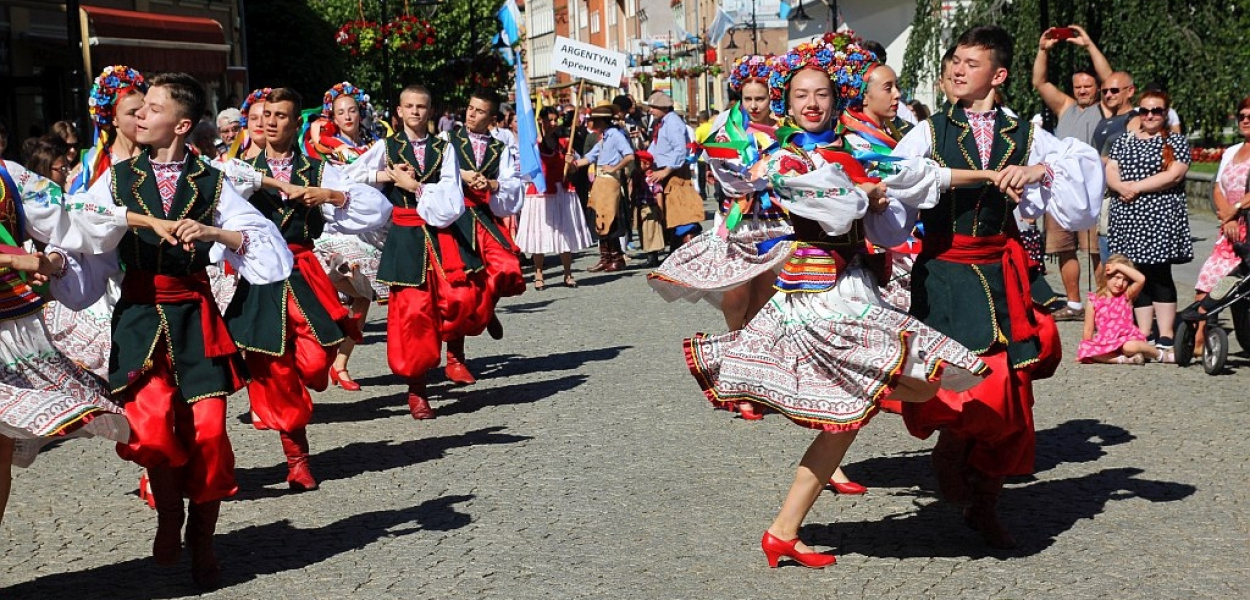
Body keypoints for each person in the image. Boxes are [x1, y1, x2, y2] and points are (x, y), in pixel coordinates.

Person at [685, 40, 989, 569]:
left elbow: (919, 175)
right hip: (816, 294)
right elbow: (826, 203)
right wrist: (866, 195)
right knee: (882, 396)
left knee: (870, 406)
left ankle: (784, 531)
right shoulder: (782, 157)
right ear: (786, 100)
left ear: (836, 96)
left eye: (821, 93)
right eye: (801, 94)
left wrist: (990, 176)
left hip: (853, 284)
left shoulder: (856, 148)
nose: (812, 102)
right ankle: (785, 528)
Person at [58, 73, 293, 589]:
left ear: (181, 124)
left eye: (152, 108)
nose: (141, 115)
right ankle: (169, 514)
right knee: (154, 428)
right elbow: (83, 230)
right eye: (138, 109)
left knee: (210, 435)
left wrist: (215, 232)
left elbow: (264, 245)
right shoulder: (118, 180)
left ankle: (204, 542)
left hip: (195, 318)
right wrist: (57, 265)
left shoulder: (212, 181)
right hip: (141, 319)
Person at [891, 25, 1104, 549]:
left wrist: (1037, 171)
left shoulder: (1027, 133)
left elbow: (1079, 189)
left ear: (999, 74)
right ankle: (950, 451)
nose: (956, 70)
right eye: (953, 61)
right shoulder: (928, 131)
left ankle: (985, 501)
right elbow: (896, 189)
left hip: (1001, 273)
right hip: (943, 274)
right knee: (953, 391)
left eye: (970, 62)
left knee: (1008, 394)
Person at [225, 87, 388, 492]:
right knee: (277, 371)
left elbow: (375, 208)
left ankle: (305, 386)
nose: (269, 122)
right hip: (261, 278)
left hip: (304, 271)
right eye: (263, 115)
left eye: (280, 115)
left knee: (315, 364)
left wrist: (330, 195)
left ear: (296, 123)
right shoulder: (239, 170)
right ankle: (297, 459)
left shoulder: (318, 169)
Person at [356, 83, 471, 419]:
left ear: (430, 110)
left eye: (422, 106)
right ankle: (417, 390)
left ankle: (455, 355)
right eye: (409, 106)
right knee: (413, 316)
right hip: (405, 238)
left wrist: (417, 187)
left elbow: (452, 195)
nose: (416, 112)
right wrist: (384, 176)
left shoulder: (444, 147)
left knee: (459, 299)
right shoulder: (386, 147)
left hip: (440, 236)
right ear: (400, 111)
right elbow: (350, 176)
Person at [304, 82, 390, 392]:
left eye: (352, 110)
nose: (348, 115)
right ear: (333, 118)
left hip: (371, 227)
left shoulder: (375, 143)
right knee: (339, 282)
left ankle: (340, 363)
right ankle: (326, 341)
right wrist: (379, 175)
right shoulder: (328, 147)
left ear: (361, 112)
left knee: (363, 296)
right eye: (341, 112)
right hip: (338, 225)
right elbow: (345, 181)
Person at [1032, 24, 1114, 321]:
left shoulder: (1104, 107)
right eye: (1078, 85)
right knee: (1064, 249)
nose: (1082, 90)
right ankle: (1075, 304)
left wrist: (1088, 43)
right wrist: (1043, 50)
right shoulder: (1065, 106)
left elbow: (1110, 79)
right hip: (1060, 190)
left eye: (1087, 86)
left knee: (1095, 250)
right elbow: (1040, 82)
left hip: (1092, 190)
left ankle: (1103, 304)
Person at [445, 89, 523, 384]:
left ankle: (487, 307)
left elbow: (511, 186)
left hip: (482, 217)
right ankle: (455, 359)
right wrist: (461, 175)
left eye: (479, 111)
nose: (471, 114)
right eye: (470, 108)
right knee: (458, 291)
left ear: (491, 119)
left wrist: (491, 183)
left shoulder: (499, 148)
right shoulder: (447, 141)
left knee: (507, 268)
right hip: (453, 219)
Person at [1105, 90, 1191, 352]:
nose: (1150, 115)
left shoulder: (1176, 141)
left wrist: (1136, 188)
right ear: (1138, 113)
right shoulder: (1122, 141)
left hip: (1158, 217)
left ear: (1166, 114)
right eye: (1145, 110)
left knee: (1159, 274)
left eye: (1157, 111)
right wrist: (1120, 187)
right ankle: (1143, 331)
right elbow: (1110, 170)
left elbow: (1174, 175)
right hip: (1127, 216)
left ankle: (1165, 332)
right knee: (1134, 273)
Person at [1190, 97, 1250, 353]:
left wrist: (1234, 211)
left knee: (1239, 282)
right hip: (1229, 227)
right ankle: (1198, 338)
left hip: (1245, 223)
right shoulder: (1231, 151)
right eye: (1242, 116)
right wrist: (1227, 216)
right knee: (1208, 279)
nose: (1246, 120)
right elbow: (1217, 187)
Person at [516, 106, 592, 290]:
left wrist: (570, 163)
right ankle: (539, 273)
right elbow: (525, 169)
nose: (553, 123)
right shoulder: (533, 145)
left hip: (561, 191)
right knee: (539, 234)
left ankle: (568, 273)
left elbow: (574, 168)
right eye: (549, 119)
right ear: (541, 121)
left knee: (565, 232)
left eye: (555, 119)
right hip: (540, 193)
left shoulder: (566, 142)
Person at [570, 103, 633, 272]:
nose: (591, 124)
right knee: (599, 218)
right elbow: (589, 157)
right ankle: (605, 257)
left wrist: (614, 167)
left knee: (609, 218)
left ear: (602, 121)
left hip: (610, 180)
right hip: (600, 180)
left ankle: (616, 257)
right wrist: (573, 164)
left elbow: (629, 155)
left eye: (594, 121)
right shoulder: (604, 137)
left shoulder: (616, 135)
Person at [1078, 255, 1163, 364]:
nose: (1120, 284)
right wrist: (1086, 348)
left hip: (1127, 339)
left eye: (1125, 280)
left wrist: (1118, 266)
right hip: (1106, 342)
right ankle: (1125, 359)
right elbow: (1088, 329)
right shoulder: (1094, 300)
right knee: (1087, 349)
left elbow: (1141, 279)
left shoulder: (1126, 295)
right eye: (1117, 277)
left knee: (1129, 347)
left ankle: (1159, 354)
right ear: (1106, 276)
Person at [645, 92, 704, 247]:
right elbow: (656, 148)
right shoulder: (663, 123)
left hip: (675, 175)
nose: (650, 110)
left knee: (683, 214)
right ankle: (679, 250)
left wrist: (666, 171)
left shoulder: (673, 123)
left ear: (663, 107)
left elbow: (679, 150)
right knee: (674, 215)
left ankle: (691, 252)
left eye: (653, 107)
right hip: (666, 174)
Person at [238, 87, 272, 160]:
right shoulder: (232, 160)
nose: (259, 124)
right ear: (246, 122)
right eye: (253, 118)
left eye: (265, 117)